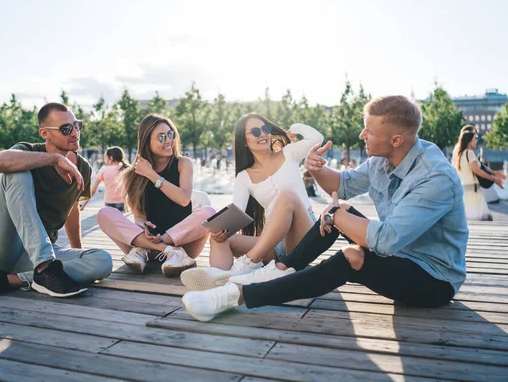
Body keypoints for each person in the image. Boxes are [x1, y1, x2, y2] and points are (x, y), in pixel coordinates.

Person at [181, 95, 469, 322]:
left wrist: (336, 215)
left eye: (369, 130)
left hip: (432, 279)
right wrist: (316, 168)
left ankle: (238, 295)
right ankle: (275, 270)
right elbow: (342, 185)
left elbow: (386, 239)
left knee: (352, 256)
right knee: (338, 210)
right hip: (395, 254)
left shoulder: (435, 178)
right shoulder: (384, 158)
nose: (361, 135)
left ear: (396, 140)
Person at [0, 103, 113, 298]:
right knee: (17, 171)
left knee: (102, 260)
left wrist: (77, 252)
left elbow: (72, 209)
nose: (75, 132)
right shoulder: (27, 150)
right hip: (0, 247)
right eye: (66, 129)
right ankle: (44, 267)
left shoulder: (83, 168)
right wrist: (55, 159)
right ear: (45, 133)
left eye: (77, 125)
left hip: (33, 256)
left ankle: (9, 280)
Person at [180, 113, 323, 290]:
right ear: (244, 141)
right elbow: (236, 215)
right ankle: (221, 283)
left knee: (287, 196)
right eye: (255, 132)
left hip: (304, 237)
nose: (262, 134)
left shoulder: (289, 153)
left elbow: (317, 138)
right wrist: (222, 230)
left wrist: (293, 129)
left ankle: (246, 265)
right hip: (273, 245)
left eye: (266, 129)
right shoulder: (244, 177)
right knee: (219, 238)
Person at [97, 114, 216, 277]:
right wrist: (142, 226)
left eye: (170, 134)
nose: (168, 140)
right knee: (104, 214)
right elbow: (139, 216)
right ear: (146, 141)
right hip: (145, 246)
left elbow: (183, 199)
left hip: (183, 245)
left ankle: (171, 250)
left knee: (209, 213)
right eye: (161, 137)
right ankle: (165, 251)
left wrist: (152, 175)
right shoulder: (134, 175)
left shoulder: (183, 164)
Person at [455, 131, 504, 221]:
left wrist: (494, 173)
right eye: (474, 139)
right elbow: (478, 170)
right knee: (479, 219)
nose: (476, 141)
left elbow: (481, 166)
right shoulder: (469, 153)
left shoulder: (462, 153)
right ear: (469, 141)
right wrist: (494, 179)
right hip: (473, 193)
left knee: (474, 220)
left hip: (468, 191)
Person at [81, 146, 128, 212]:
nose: (105, 160)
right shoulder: (125, 170)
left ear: (111, 158)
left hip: (109, 204)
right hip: (122, 204)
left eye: (106, 157)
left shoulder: (104, 170)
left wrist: (83, 206)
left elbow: (93, 190)